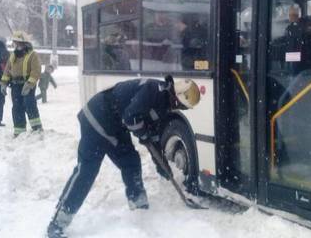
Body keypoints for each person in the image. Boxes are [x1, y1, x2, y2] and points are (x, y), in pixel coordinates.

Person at [46, 75, 201, 238]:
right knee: (87, 170)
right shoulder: (153, 90)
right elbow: (131, 117)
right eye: (182, 107)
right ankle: (58, 222)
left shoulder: (163, 104)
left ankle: (139, 206)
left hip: (115, 124)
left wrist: (163, 166)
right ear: (177, 99)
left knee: (131, 162)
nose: (180, 110)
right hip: (97, 118)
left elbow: (153, 138)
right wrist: (143, 133)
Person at [0, 31, 43, 136]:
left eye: (19, 42)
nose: (17, 45)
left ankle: (37, 129)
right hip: (15, 85)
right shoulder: (13, 55)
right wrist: (3, 83)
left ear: (25, 43)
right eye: (16, 42)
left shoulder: (33, 55)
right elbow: (7, 70)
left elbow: (36, 71)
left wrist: (29, 84)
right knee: (17, 107)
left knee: (29, 104)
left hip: (27, 85)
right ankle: (19, 131)